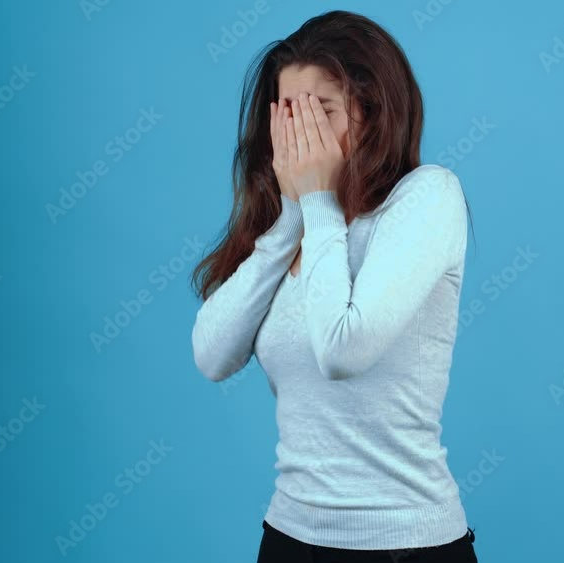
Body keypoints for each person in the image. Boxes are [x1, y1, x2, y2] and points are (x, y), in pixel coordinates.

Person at [190, 10, 478, 562]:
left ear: (373, 112)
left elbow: (342, 350)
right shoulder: (295, 229)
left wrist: (318, 202)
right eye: (289, 115)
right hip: (289, 538)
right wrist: (291, 220)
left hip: (405, 545)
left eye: (320, 113)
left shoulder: (427, 197)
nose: (302, 136)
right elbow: (212, 355)